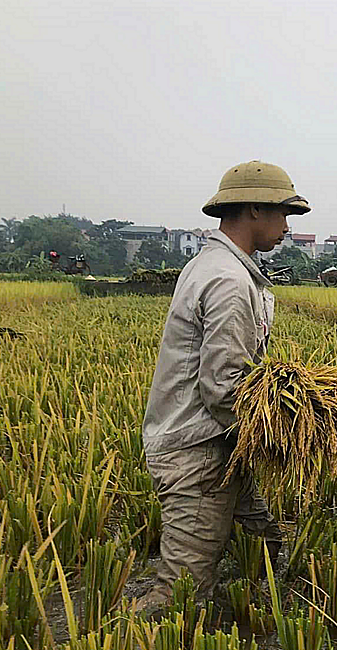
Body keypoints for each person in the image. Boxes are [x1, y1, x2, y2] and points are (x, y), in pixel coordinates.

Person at [132, 160, 310, 614]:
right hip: (199, 451)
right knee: (181, 598)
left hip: (220, 444)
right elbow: (224, 387)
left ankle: (248, 621)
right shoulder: (229, 280)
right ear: (253, 209)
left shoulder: (218, 266)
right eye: (283, 214)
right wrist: (283, 432)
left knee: (263, 545)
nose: (287, 227)